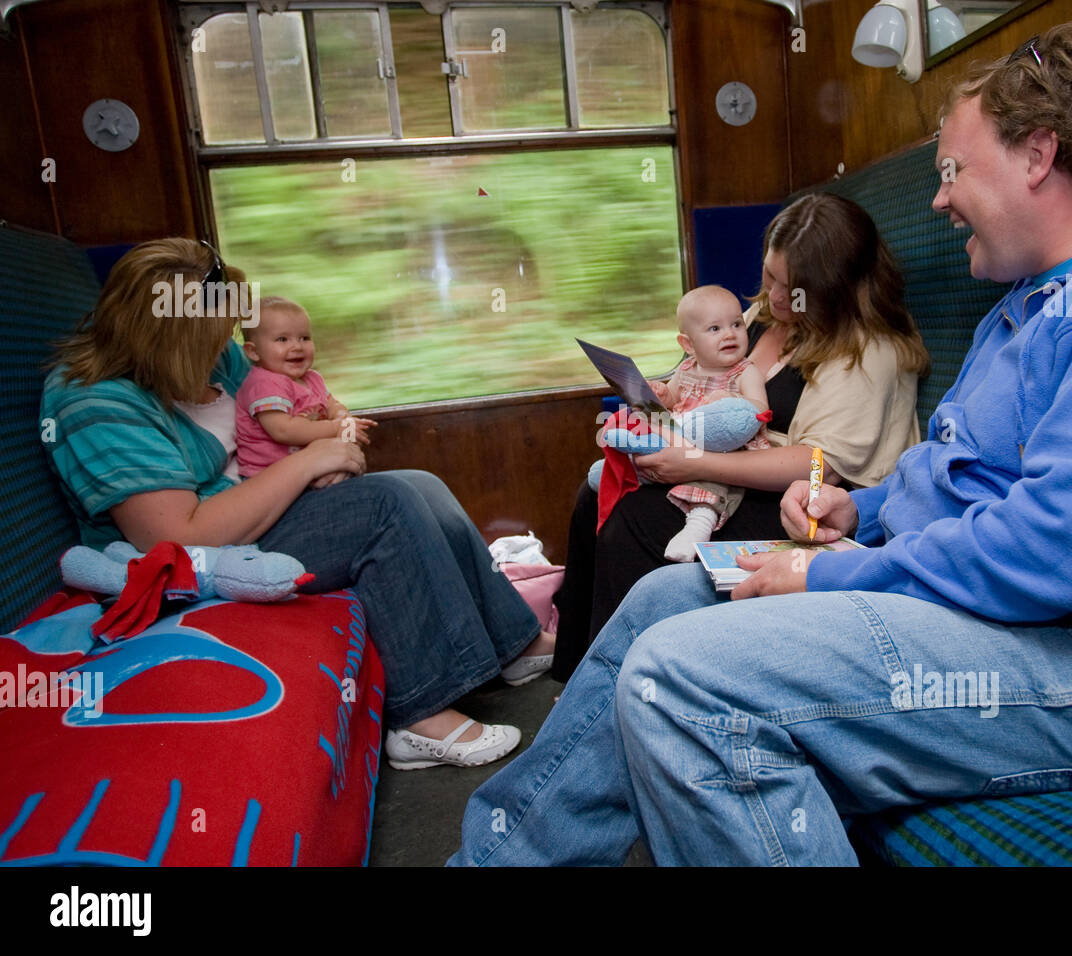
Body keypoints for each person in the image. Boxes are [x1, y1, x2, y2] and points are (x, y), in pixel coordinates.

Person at [449, 23, 1072, 864]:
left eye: (952, 170)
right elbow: (960, 474)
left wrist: (833, 568)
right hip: (1007, 616)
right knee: (659, 607)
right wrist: (865, 505)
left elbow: (1070, 548)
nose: (939, 198)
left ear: (1038, 156)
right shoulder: (1037, 301)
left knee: (681, 679)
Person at [40, 238, 555, 771]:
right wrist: (305, 463)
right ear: (167, 340)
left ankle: (515, 644)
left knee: (418, 483)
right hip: (205, 552)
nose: (229, 349)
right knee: (385, 508)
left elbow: (288, 409)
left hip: (259, 507)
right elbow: (174, 537)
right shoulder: (95, 402)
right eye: (213, 338)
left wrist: (327, 447)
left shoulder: (216, 364)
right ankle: (418, 713)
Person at [553, 193, 929, 678]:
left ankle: (621, 687)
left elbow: (816, 468)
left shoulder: (868, 353)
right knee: (597, 493)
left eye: (789, 288)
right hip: (737, 476)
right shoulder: (762, 321)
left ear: (831, 289)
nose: (770, 296)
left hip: (815, 509)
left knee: (638, 517)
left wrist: (691, 463)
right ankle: (578, 668)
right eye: (769, 276)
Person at [591, 285, 773, 562]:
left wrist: (733, 402)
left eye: (737, 324)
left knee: (714, 482)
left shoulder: (745, 371)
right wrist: (662, 395)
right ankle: (626, 470)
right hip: (680, 438)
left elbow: (760, 409)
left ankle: (700, 524)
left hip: (721, 452)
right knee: (646, 432)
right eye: (715, 329)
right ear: (688, 345)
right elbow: (674, 398)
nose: (729, 334)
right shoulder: (687, 368)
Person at [235, 296, 375, 479]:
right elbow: (284, 430)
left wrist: (344, 421)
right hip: (272, 479)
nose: (297, 346)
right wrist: (335, 428)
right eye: (282, 339)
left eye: (304, 338)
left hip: (309, 466)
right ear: (253, 351)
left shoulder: (312, 378)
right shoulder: (263, 384)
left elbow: (333, 405)